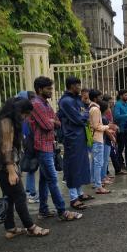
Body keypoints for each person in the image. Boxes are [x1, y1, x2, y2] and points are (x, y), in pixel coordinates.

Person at [31, 76, 83, 221]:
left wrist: (52, 121)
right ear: (40, 89)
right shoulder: (36, 104)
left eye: (51, 88)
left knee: (43, 180)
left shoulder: (46, 104)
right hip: (42, 146)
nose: (51, 91)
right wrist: (52, 122)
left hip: (48, 145)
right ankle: (62, 211)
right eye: (48, 89)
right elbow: (48, 125)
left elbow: (57, 122)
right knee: (53, 179)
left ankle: (43, 210)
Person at [0, 97, 50, 238]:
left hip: (2, 166)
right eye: (25, 114)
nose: (25, 118)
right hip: (5, 166)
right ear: (19, 111)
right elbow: (6, 148)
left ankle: (10, 228)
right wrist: (11, 171)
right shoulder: (7, 123)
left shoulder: (4, 120)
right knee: (20, 195)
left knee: (9, 196)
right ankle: (31, 227)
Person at [58, 77, 92, 210]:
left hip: (80, 136)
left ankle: (79, 193)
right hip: (72, 137)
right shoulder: (66, 101)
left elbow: (84, 113)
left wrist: (84, 115)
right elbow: (79, 118)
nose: (80, 87)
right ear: (72, 86)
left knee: (81, 165)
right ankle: (73, 198)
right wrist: (84, 116)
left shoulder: (76, 99)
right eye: (78, 85)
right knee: (72, 166)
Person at [89, 89, 117, 194]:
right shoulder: (95, 109)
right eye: (100, 97)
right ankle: (98, 185)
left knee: (95, 162)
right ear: (96, 98)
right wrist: (108, 126)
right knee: (98, 163)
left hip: (96, 138)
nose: (102, 99)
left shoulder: (92, 108)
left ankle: (95, 182)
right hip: (97, 138)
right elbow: (96, 126)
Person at [16, 91, 39, 204]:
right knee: (30, 168)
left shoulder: (23, 113)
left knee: (30, 169)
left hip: (26, 145)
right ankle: (31, 193)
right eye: (33, 98)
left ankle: (29, 191)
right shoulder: (26, 115)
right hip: (28, 145)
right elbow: (26, 133)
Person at [102, 95, 125, 176]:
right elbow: (106, 123)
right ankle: (107, 172)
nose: (112, 103)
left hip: (111, 133)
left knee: (113, 152)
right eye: (110, 102)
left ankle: (115, 170)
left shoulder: (110, 110)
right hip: (107, 134)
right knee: (109, 154)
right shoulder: (105, 111)